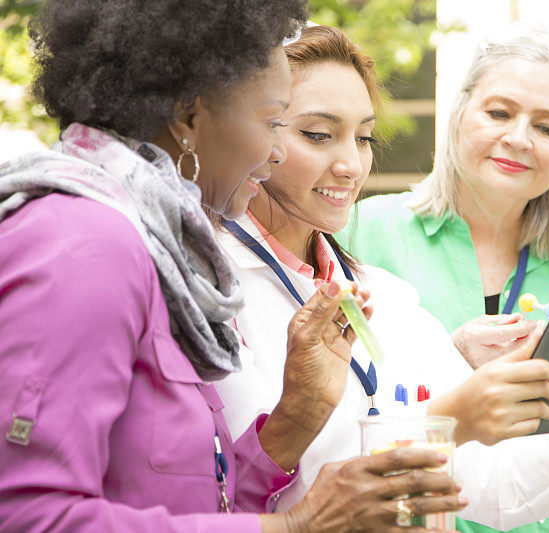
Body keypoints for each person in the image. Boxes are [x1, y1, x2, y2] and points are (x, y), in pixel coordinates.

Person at [0, 2, 464, 532]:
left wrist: (297, 414)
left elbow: (194, 502)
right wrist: (297, 525)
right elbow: (28, 518)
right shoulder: (83, 244)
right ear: (189, 116)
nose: (272, 155)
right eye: (272, 122)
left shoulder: (160, 251)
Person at [213, 25, 549, 531]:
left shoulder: (389, 297)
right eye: (317, 134)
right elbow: (232, 490)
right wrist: (453, 417)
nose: (353, 165)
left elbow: (493, 486)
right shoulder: (207, 288)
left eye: (364, 138)